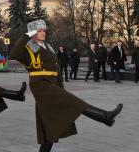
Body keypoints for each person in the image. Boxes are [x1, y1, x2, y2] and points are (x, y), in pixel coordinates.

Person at [10, 20, 123, 152]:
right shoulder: (29, 47)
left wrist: (61, 87)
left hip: (52, 84)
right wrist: (27, 35)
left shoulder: (48, 47)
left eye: (43, 30)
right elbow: (14, 54)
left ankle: (105, 117)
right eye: (39, 31)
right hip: (40, 85)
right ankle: (105, 116)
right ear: (33, 33)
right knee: (74, 103)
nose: (43, 33)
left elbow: (56, 69)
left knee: (49, 127)